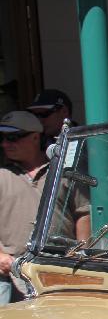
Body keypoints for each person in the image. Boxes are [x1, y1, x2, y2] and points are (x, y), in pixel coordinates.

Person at [0, 112, 48, 303]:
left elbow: (82, 213)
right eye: (2, 138)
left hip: (53, 271)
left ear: (35, 137)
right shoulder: (2, 174)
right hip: (7, 274)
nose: (5, 144)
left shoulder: (60, 171)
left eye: (13, 138)